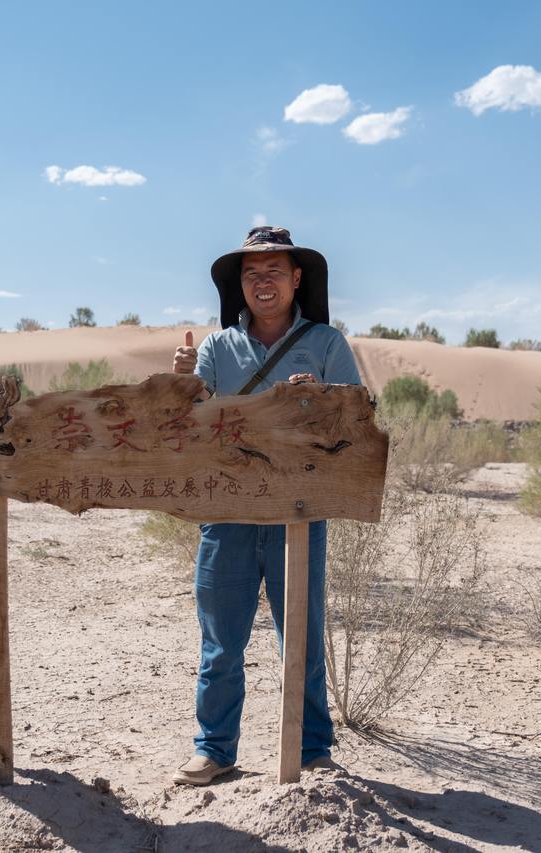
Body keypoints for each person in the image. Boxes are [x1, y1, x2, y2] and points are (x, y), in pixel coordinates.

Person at [170, 225, 362, 786]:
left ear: (297, 277)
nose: (262, 282)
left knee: (298, 636)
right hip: (226, 511)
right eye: (251, 274)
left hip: (297, 512)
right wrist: (180, 383)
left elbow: (355, 422)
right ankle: (214, 749)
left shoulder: (327, 344)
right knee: (221, 640)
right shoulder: (215, 348)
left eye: (274, 271)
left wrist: (320, 400)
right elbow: (189, 423)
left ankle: (312, 749)